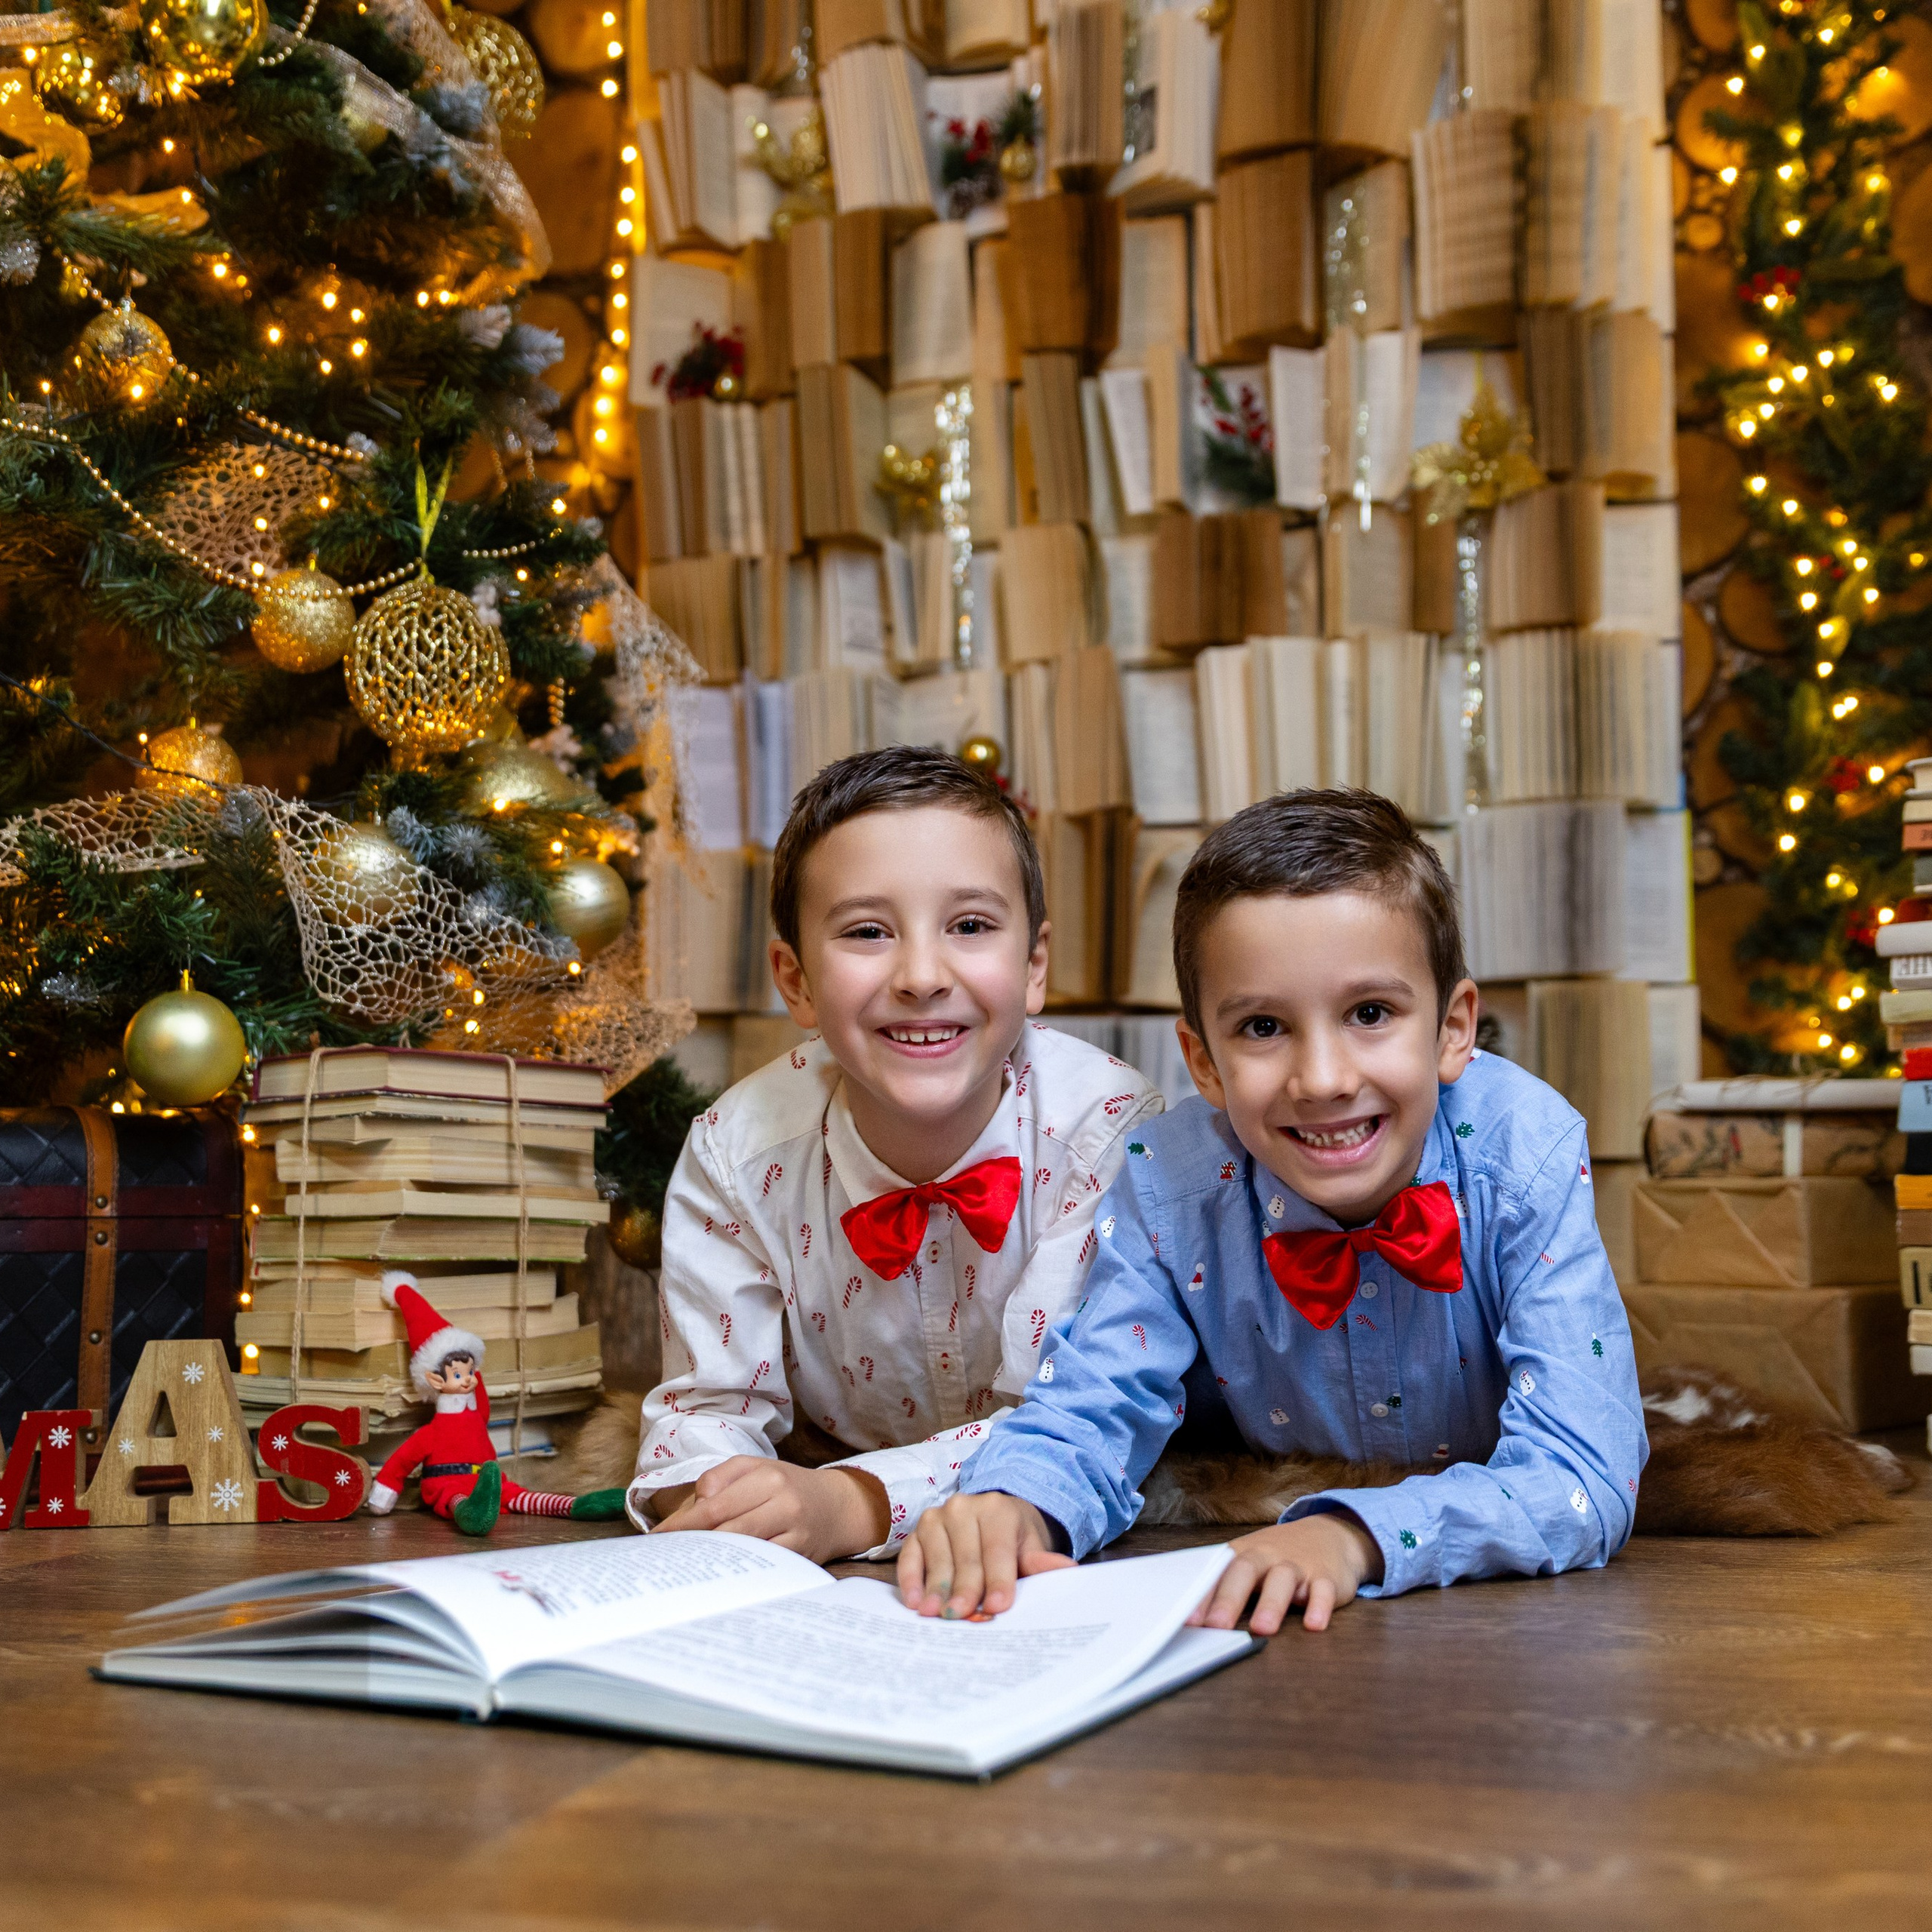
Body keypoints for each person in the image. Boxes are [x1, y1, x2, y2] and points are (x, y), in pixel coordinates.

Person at [902, 788, 1646, 1632]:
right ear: (1204, 1063)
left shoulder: (1525, 1154)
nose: (1322, 1078)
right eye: (1262, 1026)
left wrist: (1354, 1535)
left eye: (1370, 1013)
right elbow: (1094, 1399)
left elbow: (1585, 1467)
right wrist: (1016, 1502)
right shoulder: (1170, 1186)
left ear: (1452, 1028)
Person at [629, 746, 1163, 1559]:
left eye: (971, 926)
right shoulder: (736, 1154)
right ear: (796, 979)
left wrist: (851, 1503)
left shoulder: (1105, 1130)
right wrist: (724, 1496)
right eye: (868, 931)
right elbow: (702, 1413)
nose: (920, 975)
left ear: (1033, 968)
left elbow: (1065, 1422)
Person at [366, 1275, 627, 1534]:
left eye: (470, 1372)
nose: (468, 1379)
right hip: (448, 1485)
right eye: (458, 1375)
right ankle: (469, 1514)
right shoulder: (432, 1433)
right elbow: (403, 1459)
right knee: (455, 1500)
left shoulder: (476, 1414)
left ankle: (577, 1505)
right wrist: (386, 1488)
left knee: (525, 1497)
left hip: (490, 1481)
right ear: (435, 1380)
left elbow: (479, 1392)